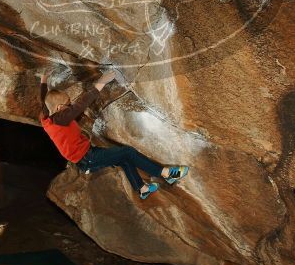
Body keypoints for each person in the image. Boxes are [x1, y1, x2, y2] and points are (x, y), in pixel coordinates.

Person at [40, 70, 189, 199]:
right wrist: (102, 82)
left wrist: (43, 81)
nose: (70, 104)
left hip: (87, 154)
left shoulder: (46, 117)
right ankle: (166, 173)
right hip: (87, 159)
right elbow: (81, 104)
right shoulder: (61, 119)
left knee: (123, 159)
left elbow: (44, 100)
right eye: (68, 103)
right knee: (128, 152)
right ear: (59, 108)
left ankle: (142, 190)